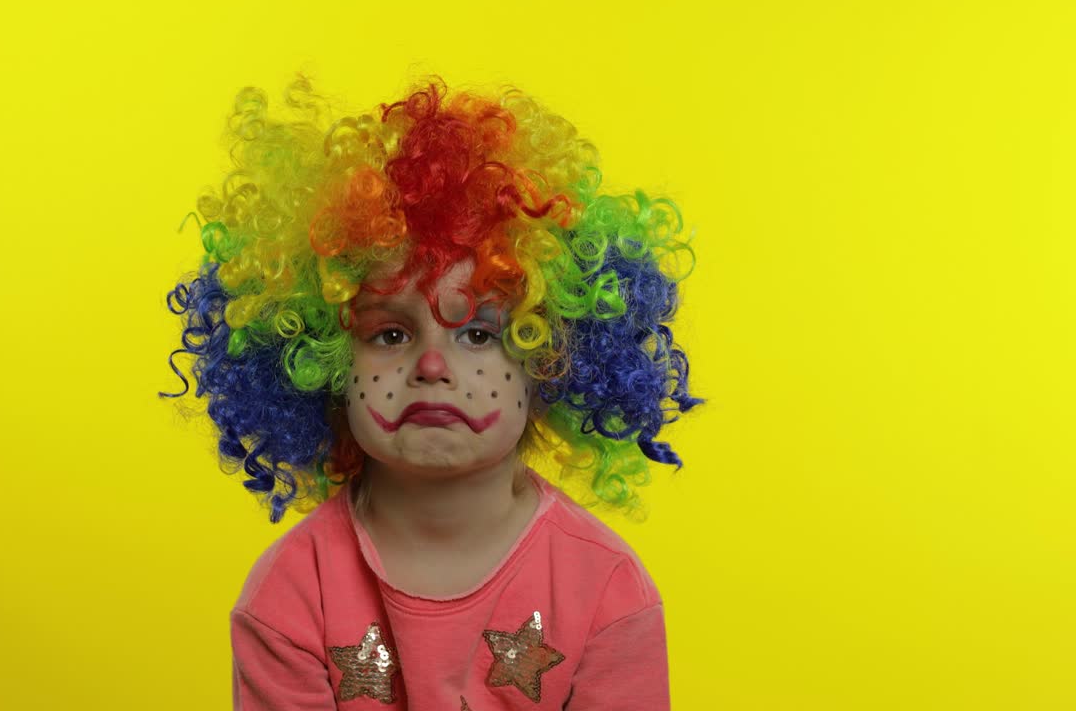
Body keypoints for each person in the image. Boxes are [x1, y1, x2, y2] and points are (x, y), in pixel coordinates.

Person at [161, 75, 704, 709]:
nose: (432, 366)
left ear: (553, 359)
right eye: (390, 334)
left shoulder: (607, 589)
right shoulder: (292, 592)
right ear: (320, 362)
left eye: (477, 333)